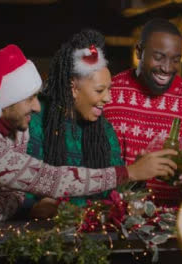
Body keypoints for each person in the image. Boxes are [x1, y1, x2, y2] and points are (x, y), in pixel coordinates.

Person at [0, 44, 177, 225]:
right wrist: (129, 172)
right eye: (29, 99)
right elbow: (51, 180)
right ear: (2, 105)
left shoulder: (17, 131)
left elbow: (13, 194)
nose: (36, 107)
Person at [103, 18, 182, 206]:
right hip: (115, 222)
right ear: (139, 52)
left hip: (175, 226)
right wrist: (132, 171)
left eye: (175, 60)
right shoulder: (107, 95)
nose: (167, 68)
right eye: (159, 57)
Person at [23, 29, 130, 217]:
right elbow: (17, 185)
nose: (108, 98)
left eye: (109, 89)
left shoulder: (104, 130)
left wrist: (138, 175)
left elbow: (116, 190)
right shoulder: (35, 119)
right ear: (73, 88)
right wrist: (34, 206)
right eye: (99, 90)